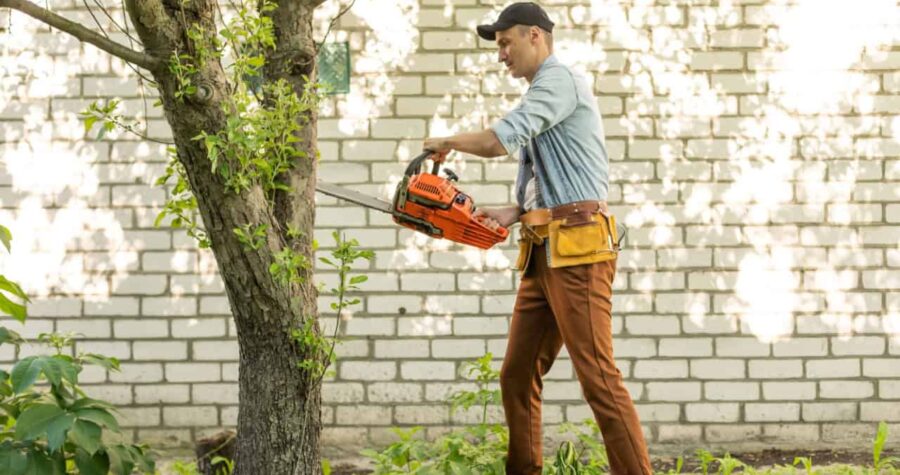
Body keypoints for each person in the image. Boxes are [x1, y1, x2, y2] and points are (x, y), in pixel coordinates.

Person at [422, 2, 653, 474]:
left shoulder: (559, 80)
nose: (501, 54)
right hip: (543, 250)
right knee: (517, 375)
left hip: (579, 247)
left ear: (535, 36)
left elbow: (496, 142)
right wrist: (513, 212)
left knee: (598, 379)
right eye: (498, 45)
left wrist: (444, 141)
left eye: (506, 43)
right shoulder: (539, 95)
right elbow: (551, 178)